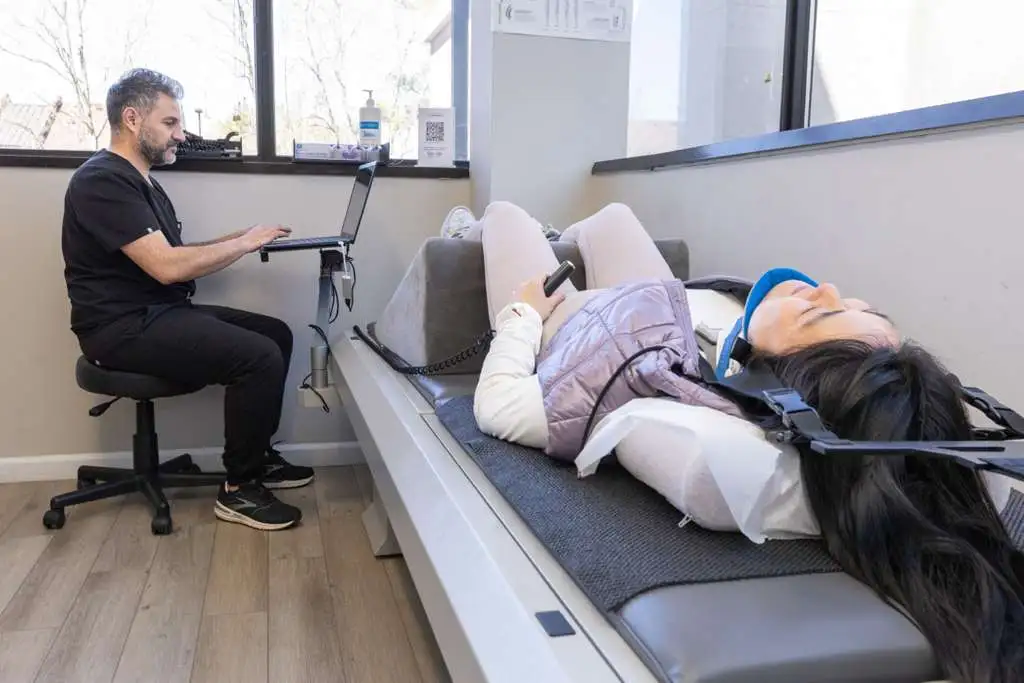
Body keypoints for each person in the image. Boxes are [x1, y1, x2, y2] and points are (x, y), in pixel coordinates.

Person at [455, 200, 1024, 683]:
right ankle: (565, 240)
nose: (826, 287)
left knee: (506, 215)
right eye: (854, 304)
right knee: (614, 216)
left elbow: (499, 404)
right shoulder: (744, 328)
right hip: (666, 302)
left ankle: (467, 230)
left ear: (776, 374)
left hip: (575, 323)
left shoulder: (628, 382)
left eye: (816, 312)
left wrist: (524, 311)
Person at [61, 68, 313, 532]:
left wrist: (242, 237)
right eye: (171, 123)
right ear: (133, 119)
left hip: (156, 314)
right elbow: (167, 268)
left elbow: (173, 255)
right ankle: (240, 490)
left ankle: (258, 457)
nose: (182, 133)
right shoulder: (101, 181)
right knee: (257, 357)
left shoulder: (143, 183)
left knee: (274, 334)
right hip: (119, 329)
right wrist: (241, 245)